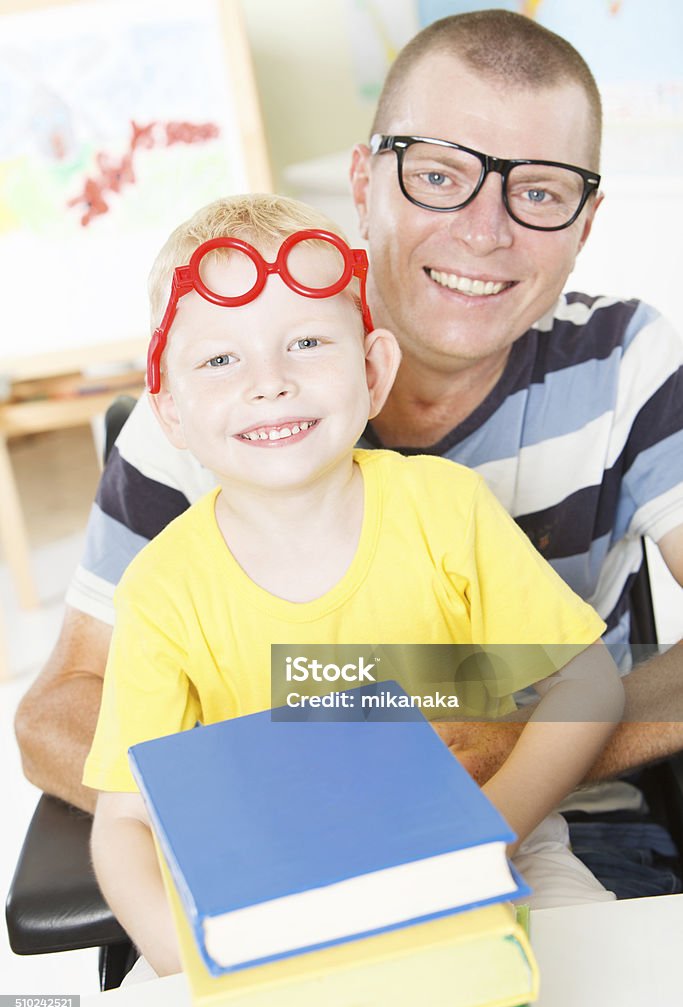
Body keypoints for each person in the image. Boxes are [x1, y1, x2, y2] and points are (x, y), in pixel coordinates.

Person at [15, 10, 683, 816]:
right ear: (363, 184)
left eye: (538, 192)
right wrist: (288, 810)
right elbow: (57, 710)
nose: (482, 232)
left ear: (584, 223)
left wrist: (519, 755)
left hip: (565, 823)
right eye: (438, 177)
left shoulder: (628, 360)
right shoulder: (216, 396)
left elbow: (568, 704)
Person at [83, 191, 623, 978]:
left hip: (497, 838)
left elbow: (590, 687)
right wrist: (194, 966)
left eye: (305, 342)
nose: (269, 383)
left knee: (603, 973)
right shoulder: (161, 589)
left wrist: (489, 832)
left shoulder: (444, 508)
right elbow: (124, 821)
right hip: (279, 879)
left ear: (373, 371)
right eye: (221, 359)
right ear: (170, 415)